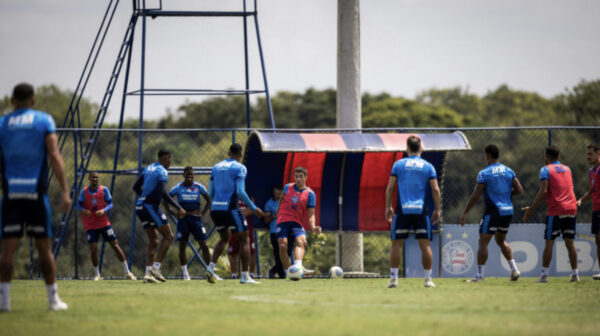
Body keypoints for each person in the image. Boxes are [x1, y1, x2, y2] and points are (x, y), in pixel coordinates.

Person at [0, 83, 71, 311]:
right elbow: (53, 154)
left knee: (7, 250)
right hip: (35, 194)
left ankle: (4, 302)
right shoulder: (43, 121)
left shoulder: (3, 124)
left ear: (12, 101)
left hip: (11, 194)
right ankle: (53, 300)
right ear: (33, 100)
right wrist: (65, 190)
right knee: (44, 249)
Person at [459, 145, 523, 282]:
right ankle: (514, 269)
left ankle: (480, 275)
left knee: (483, 241)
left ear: (487, 156)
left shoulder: (484, 173)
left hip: (493, 211)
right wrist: (507, 196)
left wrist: (465, 212)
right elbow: (519, 190)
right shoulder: (508, 170)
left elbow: (476, 195)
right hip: (507, 211)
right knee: (501, 240)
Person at [385, 136, 441, 288]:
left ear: (407, 148)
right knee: (425, 244)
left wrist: (388, 206)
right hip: (420, 210)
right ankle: (428, 280)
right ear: (421, 148)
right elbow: (435, 189)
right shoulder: (428, 166)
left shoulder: (398, 164)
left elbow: (390, 187)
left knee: (397, 244)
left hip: (402, 210)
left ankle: (394, 280)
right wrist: (438, 209)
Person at [208, 143, 263, 284]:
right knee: (245, 239)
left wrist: (217, 203)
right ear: (240, 154)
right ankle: (245, 276)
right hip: (230, 208)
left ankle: (210, 268)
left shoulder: (216, 167)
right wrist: (253, 207)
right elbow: (240, 191)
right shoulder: (240, 168)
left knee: (224, 238)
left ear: (228, 153)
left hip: (215, 209)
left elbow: (210, 193)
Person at [522, 146, 579, 283]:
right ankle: (575, 274)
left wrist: (531, 209)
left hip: (556, 210)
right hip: (571, 208)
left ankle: (543, 276)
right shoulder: (568, 169)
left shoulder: (545, 169)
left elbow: (543, 191)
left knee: (549, 243)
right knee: (570, 243)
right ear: (559, 156)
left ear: (546, 157)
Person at [133, 149, 186, 283]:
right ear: (162, 158)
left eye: (171, 158)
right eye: (168, 158)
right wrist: (179, 207)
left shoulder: (148, 168)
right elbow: (163, 193)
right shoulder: (162, 171)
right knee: (169, 236)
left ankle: (147, 274)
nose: (170, 161)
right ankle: (156, 268)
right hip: (150, 207)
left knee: (154, 240)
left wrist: (144, 198)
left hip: (140, 206)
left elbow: (135, 187)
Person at [78, 171, 136, 281]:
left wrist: (103, 210)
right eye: (93, 177)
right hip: (90, 225)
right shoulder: (84, 191)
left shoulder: (104, 190)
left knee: (115, 245)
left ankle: (127, 272)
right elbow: (79, 205)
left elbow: (111, 204)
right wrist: (84, 210)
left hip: (104, 223)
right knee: (93, 249)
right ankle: (97, 275)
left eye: (96, 177)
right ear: (89, 179)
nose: (95, 179)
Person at [167, 166, 213, 282]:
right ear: (184, 175)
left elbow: (209, 200)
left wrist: (202, 213)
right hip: (184, 220)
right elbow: (165, 199)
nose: (190, 176)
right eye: (188, 174)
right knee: (182, 246)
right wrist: (173, 213)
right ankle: (185, 273)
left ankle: (210, 272)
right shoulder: (178, 188)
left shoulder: (198, 187)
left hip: (196, 219)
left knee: (204, 245)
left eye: (192, 174)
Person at [276, 166, 321, 278]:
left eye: (301, 176)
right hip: (283, 220)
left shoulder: (310, 194)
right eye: (296, 176)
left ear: (306, 177)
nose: (298, 179)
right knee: (282, 245)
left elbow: (311, 214)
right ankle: (288, 273)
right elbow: (281, 199)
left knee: (302, 241)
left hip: (296, 222)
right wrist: (278, 212)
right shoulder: (287, 187)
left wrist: (313, 226)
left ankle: (298, 267)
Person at [576, 144, 600, 280]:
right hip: (596, 209)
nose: (588, 157)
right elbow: (592, 192)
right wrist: (580, 200)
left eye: (590, 154)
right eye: (587, 154)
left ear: (598, 153)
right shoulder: (591, 171)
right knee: (598, 240)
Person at [264, 184, 289, 279]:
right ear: (274, 192)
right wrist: (275, 215)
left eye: (280, 194)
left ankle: (273, 270)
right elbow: (266, 220)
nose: (279, 196)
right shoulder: (269, 203)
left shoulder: (287, 202)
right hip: (275, 231)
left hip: (287, 231)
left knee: (287, 251)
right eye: (277, 194)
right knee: (278, 253)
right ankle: (282, 274)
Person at [227, 199, 256, 279]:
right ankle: (233, 275)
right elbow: (229, 212)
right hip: (234, 228)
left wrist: (238, 213)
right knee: (232, 252)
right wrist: (245, 212)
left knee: (252, 251)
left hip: (247, 228)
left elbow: (252, 210)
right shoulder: (231, 197)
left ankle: (251, 274)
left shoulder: (248, 198)